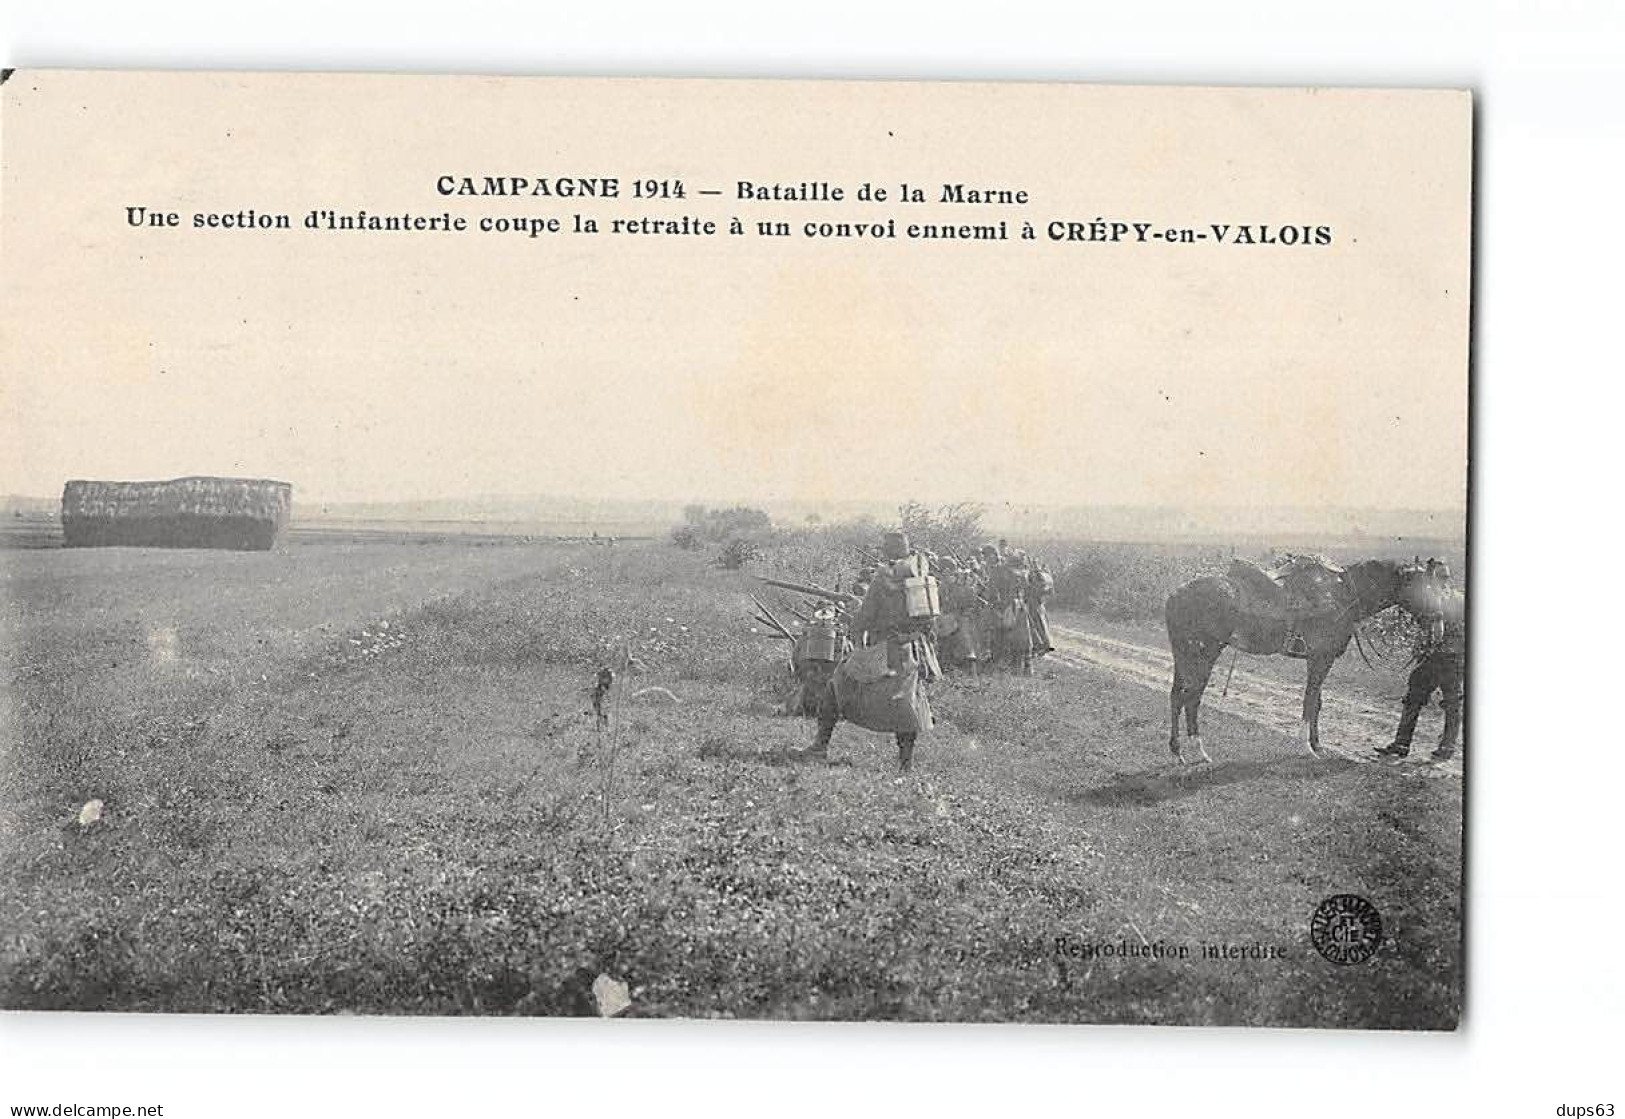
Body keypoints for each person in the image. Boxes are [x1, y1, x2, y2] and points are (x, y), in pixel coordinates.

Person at [809, 530, 938, 772]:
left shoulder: (883, 577)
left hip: (883, 647)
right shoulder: (920, 576)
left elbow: (867, 614)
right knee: (906, 705)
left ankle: (819, 746)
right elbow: (929, 621)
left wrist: (856, 633)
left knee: (836, 685)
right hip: (908, 650)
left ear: (887, 550)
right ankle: (905, 764)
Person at [1375, 566, 1465, 762]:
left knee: (1413, 700)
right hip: (1454, 659)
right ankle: (1447, 746)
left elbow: (1427, 629)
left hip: (1433, 659)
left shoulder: (1431, 600)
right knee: (1452, 703)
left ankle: (1402, 744)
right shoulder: (1461, 598)